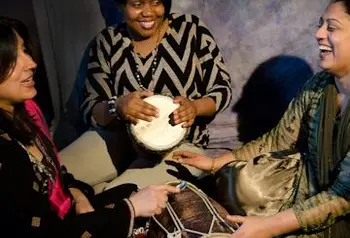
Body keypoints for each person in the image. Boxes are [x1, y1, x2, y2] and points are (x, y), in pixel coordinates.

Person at [174, 0, 350, 237]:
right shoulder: (318, 85)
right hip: (307, 185)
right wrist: (217, 162)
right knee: (239, 182)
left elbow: (342, 196)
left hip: (341, 208)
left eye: (331, 27)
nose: (318, 34)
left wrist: (272, 225)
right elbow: (278, 141)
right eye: (320, 25)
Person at [0, 17, 179, 238]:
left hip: (66, 213)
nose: (32, 63)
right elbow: (40, 230)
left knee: (133, 190)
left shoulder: (24, 111)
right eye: (13, 58)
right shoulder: (108, 42)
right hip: (58, 229)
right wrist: (130, 208)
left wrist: (79, 196)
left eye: (25, 51)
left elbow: (53, 175)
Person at [80, 0, 232, 187]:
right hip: (120, 139)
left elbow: (221, 88)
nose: (148, 12)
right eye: (137, 4)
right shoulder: (108, 41)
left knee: (118, 197)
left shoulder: (191, 30)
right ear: (121, 5)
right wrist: (117, 106)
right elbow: (89, 108)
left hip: (182, 147)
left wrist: (194, 107)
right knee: (52, 176)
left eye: (156, 3)